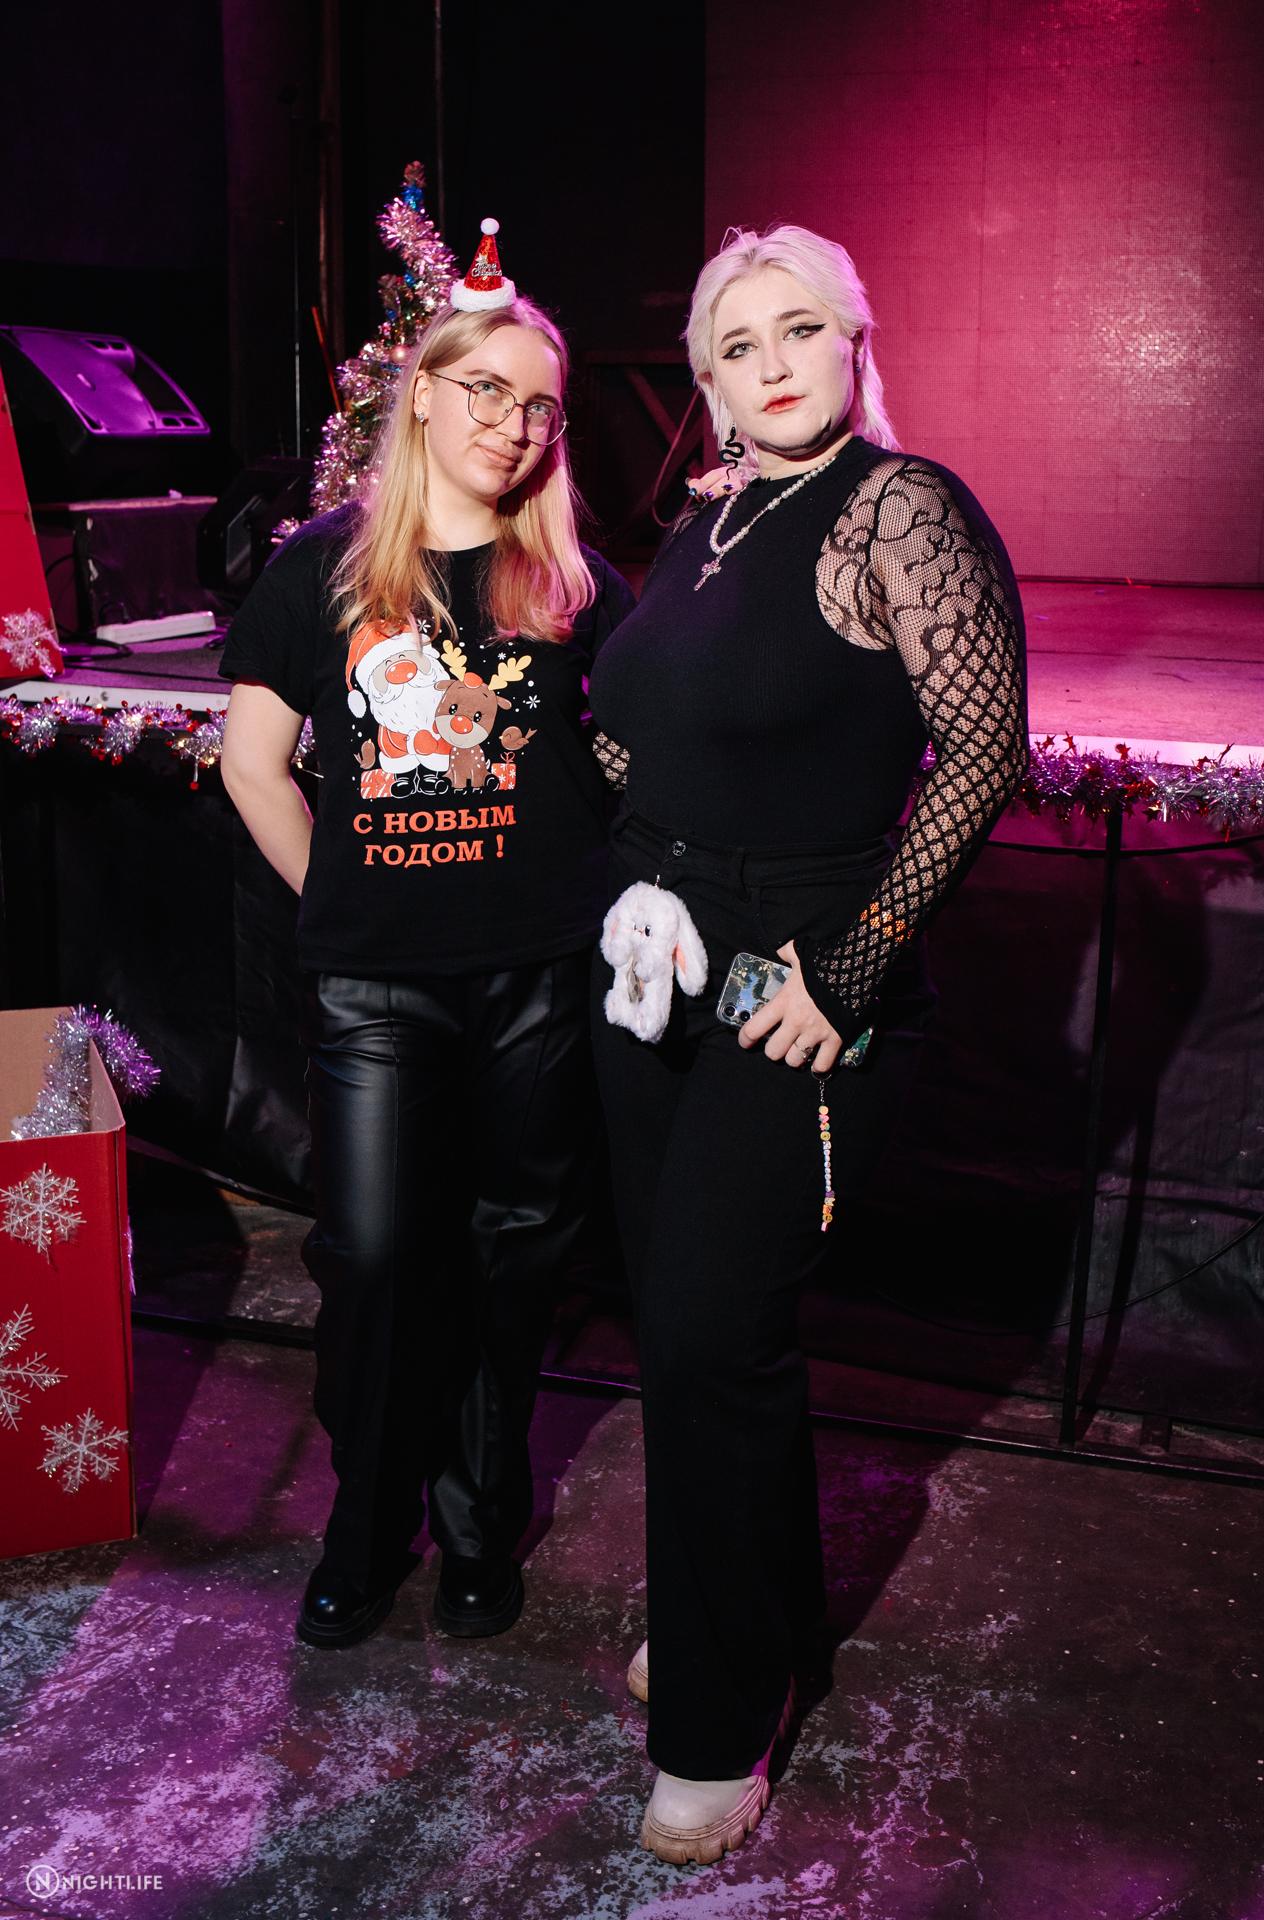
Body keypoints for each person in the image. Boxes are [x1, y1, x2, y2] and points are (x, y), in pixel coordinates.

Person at [588, 223, 1029, 1863]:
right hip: (656, 970)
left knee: (711, 1333)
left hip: (798, 980)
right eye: (735, 345)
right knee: (691, 1339)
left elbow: (982, 749)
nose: (770, 365)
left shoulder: (900, 507)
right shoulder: (710, 522)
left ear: (853, 341)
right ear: (705, 385)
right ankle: (745, 1612)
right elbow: (637, 732)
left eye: (797, 331)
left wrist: (849, 970)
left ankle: (718, 1722)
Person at [219, 221, 634, 1651]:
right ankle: (366, 1518)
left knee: (514, 1258)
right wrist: (345, 909)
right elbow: (252, 767)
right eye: (487, 391)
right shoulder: (321, 571)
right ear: (423, 396)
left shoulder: (574, 583)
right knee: (379, 1257)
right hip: (378, 991)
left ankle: (476, 1523)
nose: (514, 425)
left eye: (539, 406)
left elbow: (635, 764)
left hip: (541, 977)